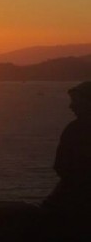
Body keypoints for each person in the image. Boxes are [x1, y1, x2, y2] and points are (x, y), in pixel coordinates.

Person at [43, 81, 91, 210]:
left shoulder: (76, 129)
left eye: (76, 101)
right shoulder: (75, 129)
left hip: (71, 201)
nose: (71, 106)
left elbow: (61, 166)